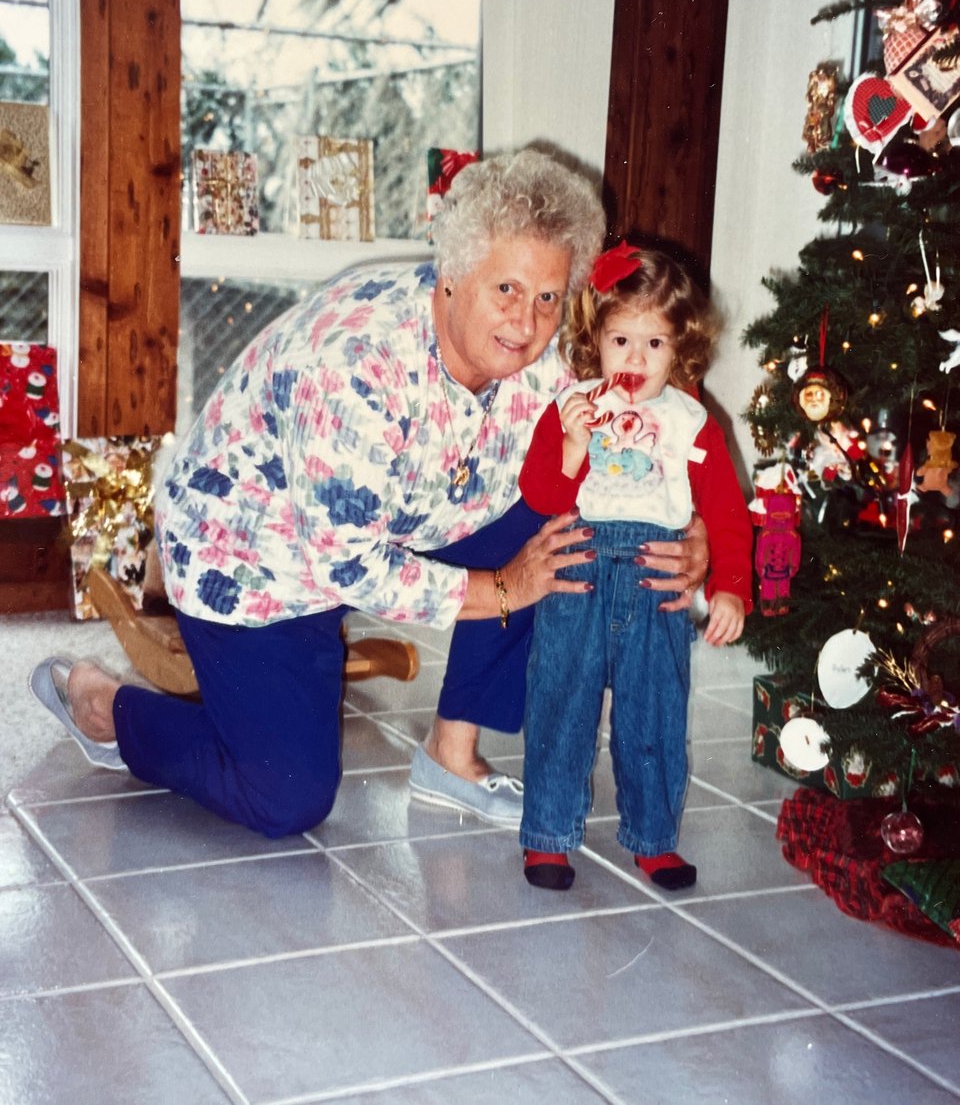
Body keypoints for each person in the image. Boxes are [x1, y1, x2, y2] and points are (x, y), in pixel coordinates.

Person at [30, 151, 710, 839]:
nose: (528, 322)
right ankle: (107, 706)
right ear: (451, 274)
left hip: (414, 514)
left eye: (547, 297)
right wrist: (504, 588)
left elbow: (646, 417)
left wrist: (691, 529)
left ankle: (453, 754)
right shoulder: (356, 365)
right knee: (287, 796)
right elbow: (348, 565)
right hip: (253, 555)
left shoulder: (551, 350)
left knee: (560, 523)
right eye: (505, 288)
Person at [518, 241, 753, 891]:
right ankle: (547, 834)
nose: (636, 359)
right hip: (578, 577)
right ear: (596, 338)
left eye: (655, 344)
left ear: (680, 349)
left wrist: (730, 586)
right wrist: (570, 445)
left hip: (656, 586)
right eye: (622, 340)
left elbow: (727, 514)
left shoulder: (693, 424)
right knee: (562, 704)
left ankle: (653, 837)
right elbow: (541, 495)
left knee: (655, 712)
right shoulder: (575, 408)